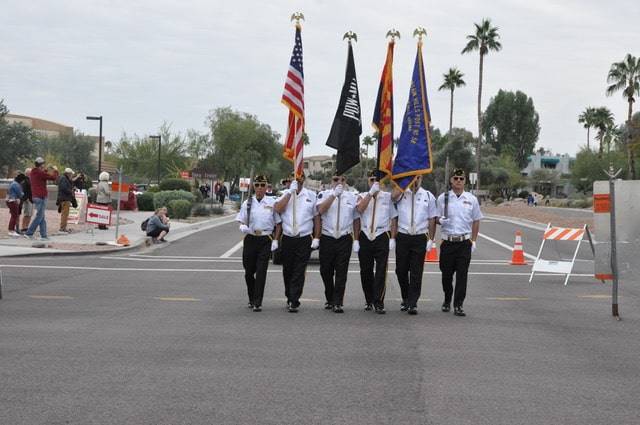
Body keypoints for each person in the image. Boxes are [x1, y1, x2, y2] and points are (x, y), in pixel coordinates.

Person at [436, 168, 483, 317]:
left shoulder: (471, 199)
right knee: (446, 275)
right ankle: (447, 298)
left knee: (462, 275)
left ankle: (458, 305)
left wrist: (473, 240)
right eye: (455, 178)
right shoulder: (442, 198)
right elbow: (435, 218)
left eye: (461, 179)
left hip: (464, 242)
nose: (458, 181)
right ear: (451, 180)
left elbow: (476, 220)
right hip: (448, 242)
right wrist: (439, 220)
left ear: (465, 181)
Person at [274, 172, 320, 313]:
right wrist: (290, 193)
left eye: (299, 180)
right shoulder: (284, 194)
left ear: (303, 181)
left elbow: (316, 218)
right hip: (288, 237)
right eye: (294, 180)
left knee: (299, 270)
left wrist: (317, 236)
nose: (297, 183)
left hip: (304, 237)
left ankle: (294, 300)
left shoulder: (311, 196)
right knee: (288, 269)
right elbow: (278, 209)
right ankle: (289, 295)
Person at [392, 174, 437, 315]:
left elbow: (431, 219)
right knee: (401, 270)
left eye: (417, 178)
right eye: (413, 178)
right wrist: (404, 184)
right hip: (403, 236)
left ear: (421, 178)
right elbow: (393, 197)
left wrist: (431, 238)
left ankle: (412, 303)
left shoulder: (428, 196)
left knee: (416, 272)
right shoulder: (401, 193)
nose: (415, 181)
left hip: (419, 237)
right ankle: (406, 297)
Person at [236, 175, 282, 312]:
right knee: (248, 272)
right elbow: (241, 220)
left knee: (261, 271)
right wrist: (242, 226)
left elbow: (278, 224)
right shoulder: (247, 203)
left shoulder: (272, 202)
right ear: (253, 187)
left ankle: (257, 301)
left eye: (263, 185)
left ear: (267, 187)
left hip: (265, 238)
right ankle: (251, 297)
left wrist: (275, 240)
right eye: (257, 185)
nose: (260, 188)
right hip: (250, 238)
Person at [355, 170, 398, 314]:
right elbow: (360, 209)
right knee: (365, 270)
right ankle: (369, 300)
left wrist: (392, 237)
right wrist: (371, 193)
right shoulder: (362, 196)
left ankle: (379, 301)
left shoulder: (387, 198)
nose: (374, 182)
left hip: (381, 234)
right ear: (368, 181)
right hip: (366, 234)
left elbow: (393, 219)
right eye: (372, 179)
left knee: (381, 271)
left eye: (377, 180)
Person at [316, 174, 358, 313]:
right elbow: (320, 210)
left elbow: (356, 218)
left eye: (342, 180)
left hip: (344, 237)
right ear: (331, 181)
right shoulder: (324, 194)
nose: (339, 182)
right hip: (327, 236)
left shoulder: (352, 196)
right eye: (335, 180)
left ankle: (338, 302)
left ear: (346, 182)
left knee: (341, 272)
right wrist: (334, 195)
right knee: (325, 271)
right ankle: (330, 297)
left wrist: (356, 239)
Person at [24, 157, 59, 241]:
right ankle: (29, 233)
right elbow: (53, 177)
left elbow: (42, 175)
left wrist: (45, 170)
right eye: (43, 164)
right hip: (41, 197)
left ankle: (44, 235)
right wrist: (56, 170)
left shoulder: (33, 172)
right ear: (41, 165)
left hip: (36, 196)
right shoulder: (40, 173)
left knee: (41, 217)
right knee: (39, 216)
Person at [57, 168, 77, 233]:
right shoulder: (63, 178)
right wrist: (71, 191)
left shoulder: (65, 178)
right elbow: (64, 188)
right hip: (64, 199)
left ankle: (63, 227)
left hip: (65, 198)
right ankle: (62, 228)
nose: (72, 175)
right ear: (68, 174)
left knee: (65, 214)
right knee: (64, 214)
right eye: (71, 174)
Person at [20, 168, 33, 233]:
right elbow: (23, 190)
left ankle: (26, 227)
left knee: (30, 214)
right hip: (27, 200)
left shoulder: (30, 180)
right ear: (27, 173)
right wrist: (26, 198)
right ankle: (23, 227)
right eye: (30, 173)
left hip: (31, 199)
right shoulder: (24, 180)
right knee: (26, 214)